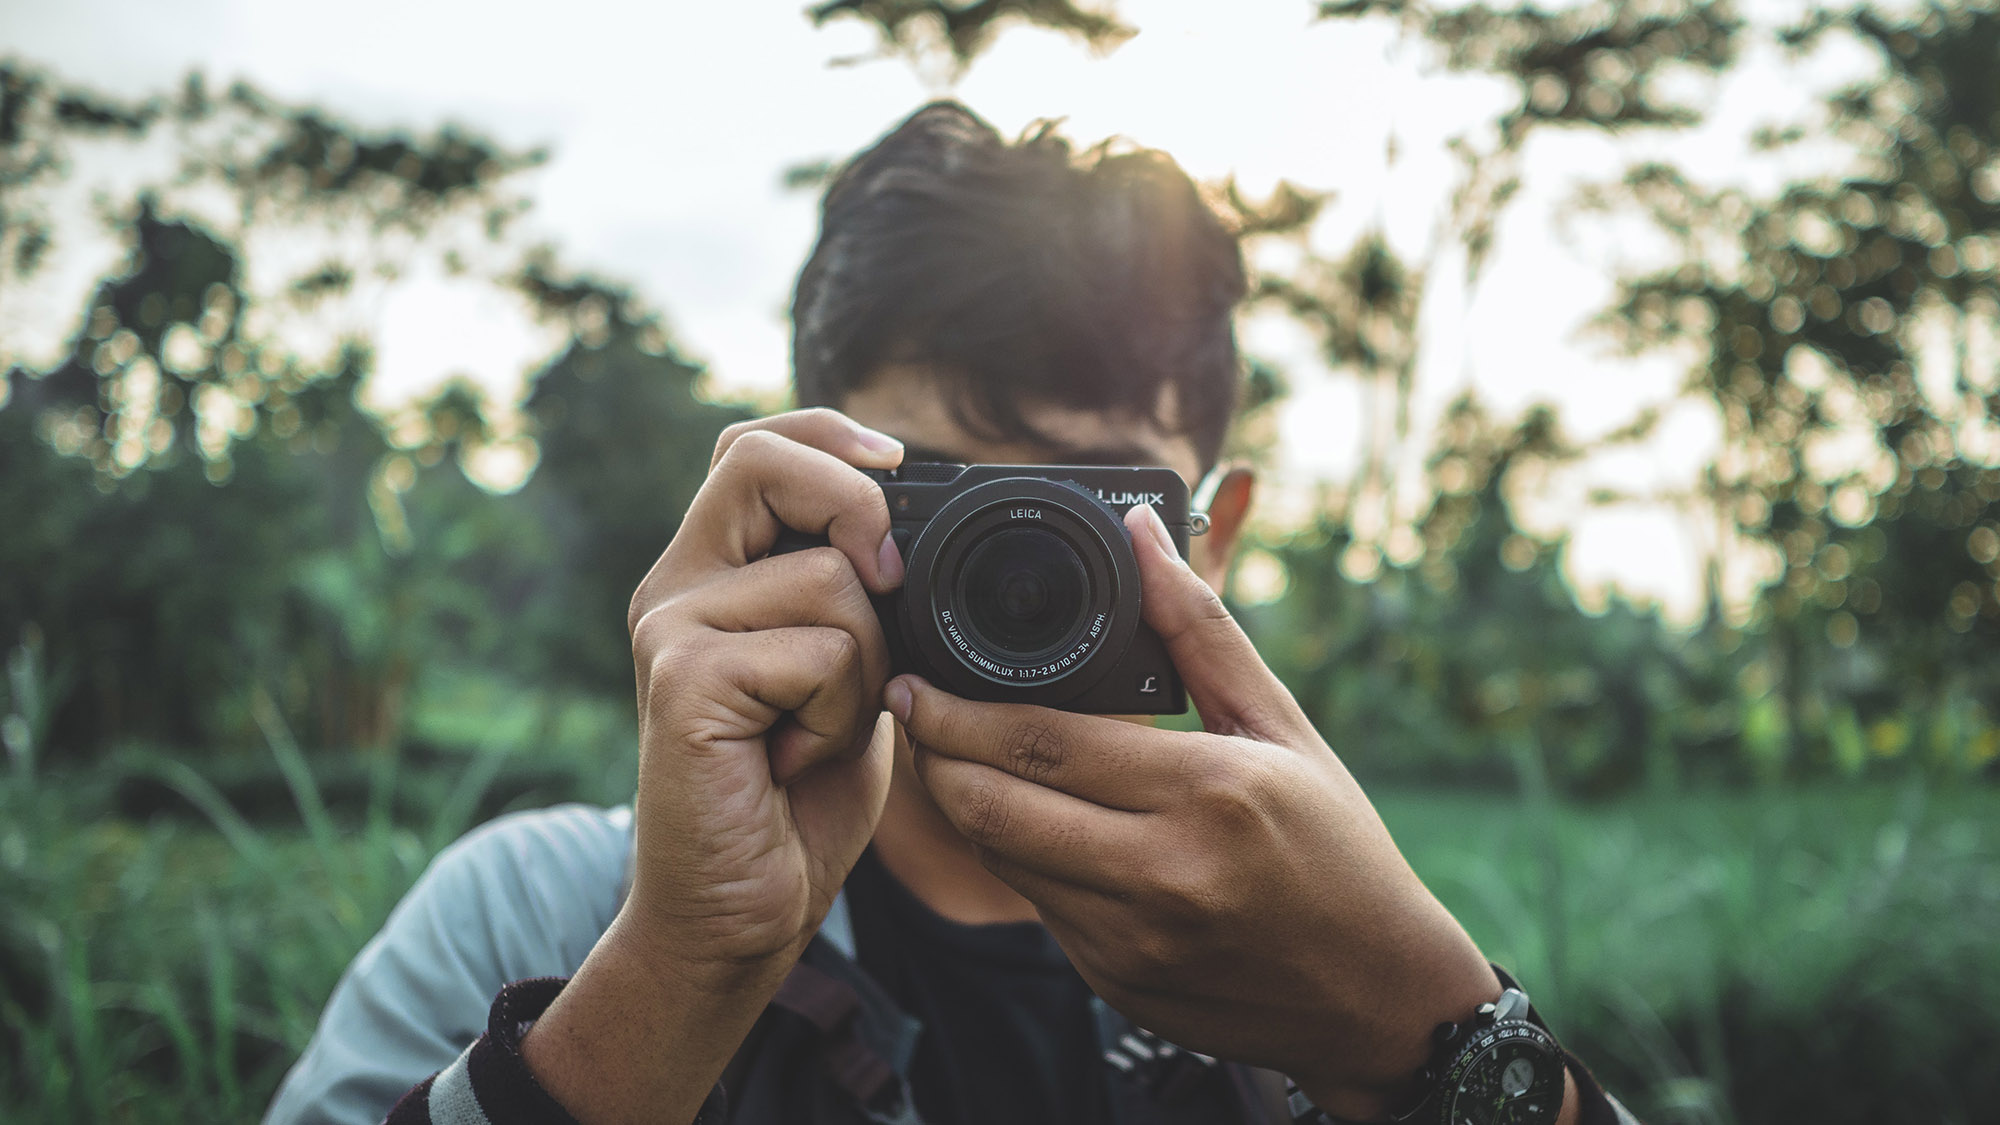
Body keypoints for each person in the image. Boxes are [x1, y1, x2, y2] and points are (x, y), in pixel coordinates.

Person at [264, 102, 1637, 1125]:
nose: (1013, 571)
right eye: (946, 501)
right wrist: (678, 969)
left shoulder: (1310, 948)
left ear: (1214, 534)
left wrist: (1424, 1036)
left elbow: (1408, 1019)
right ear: (806, 482)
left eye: (1093, 509)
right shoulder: (543, 913)